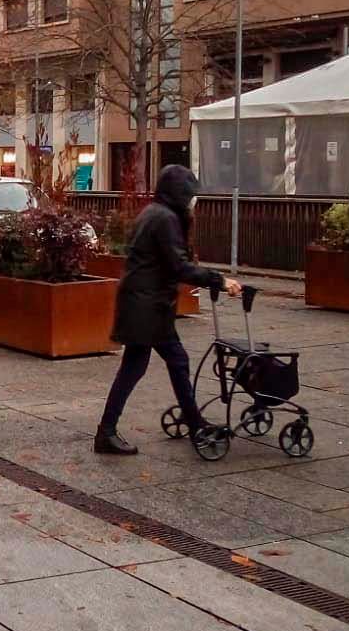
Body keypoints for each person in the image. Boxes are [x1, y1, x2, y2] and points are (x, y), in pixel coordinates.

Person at [94, 164, 242, 455]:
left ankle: (192, 421)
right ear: (179, 194)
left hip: (147, 305)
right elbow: (179, 266)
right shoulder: (165, 219)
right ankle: (107, 432)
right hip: (147, 307)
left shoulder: (155, 213)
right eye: (191, 196)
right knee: (143, 366)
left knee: (172, 361)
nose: (193, 202)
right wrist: (220, 280)